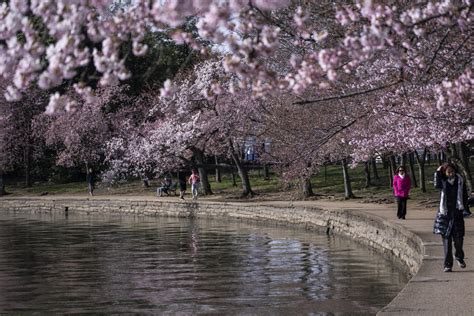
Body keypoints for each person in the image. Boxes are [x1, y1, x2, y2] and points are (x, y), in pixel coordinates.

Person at [434, 163, 468, 272]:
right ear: (444, 173)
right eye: (448, 172)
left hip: (457, 213)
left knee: (459, 240)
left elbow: (464, 196)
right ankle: (448, 264)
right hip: (445, 214)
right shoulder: (442, 182)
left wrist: (466, 208)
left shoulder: (460, 181)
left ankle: (459, 256)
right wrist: (438, 172)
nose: (451, 173)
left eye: (452, 171)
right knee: (446, 241)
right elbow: (436, 184)